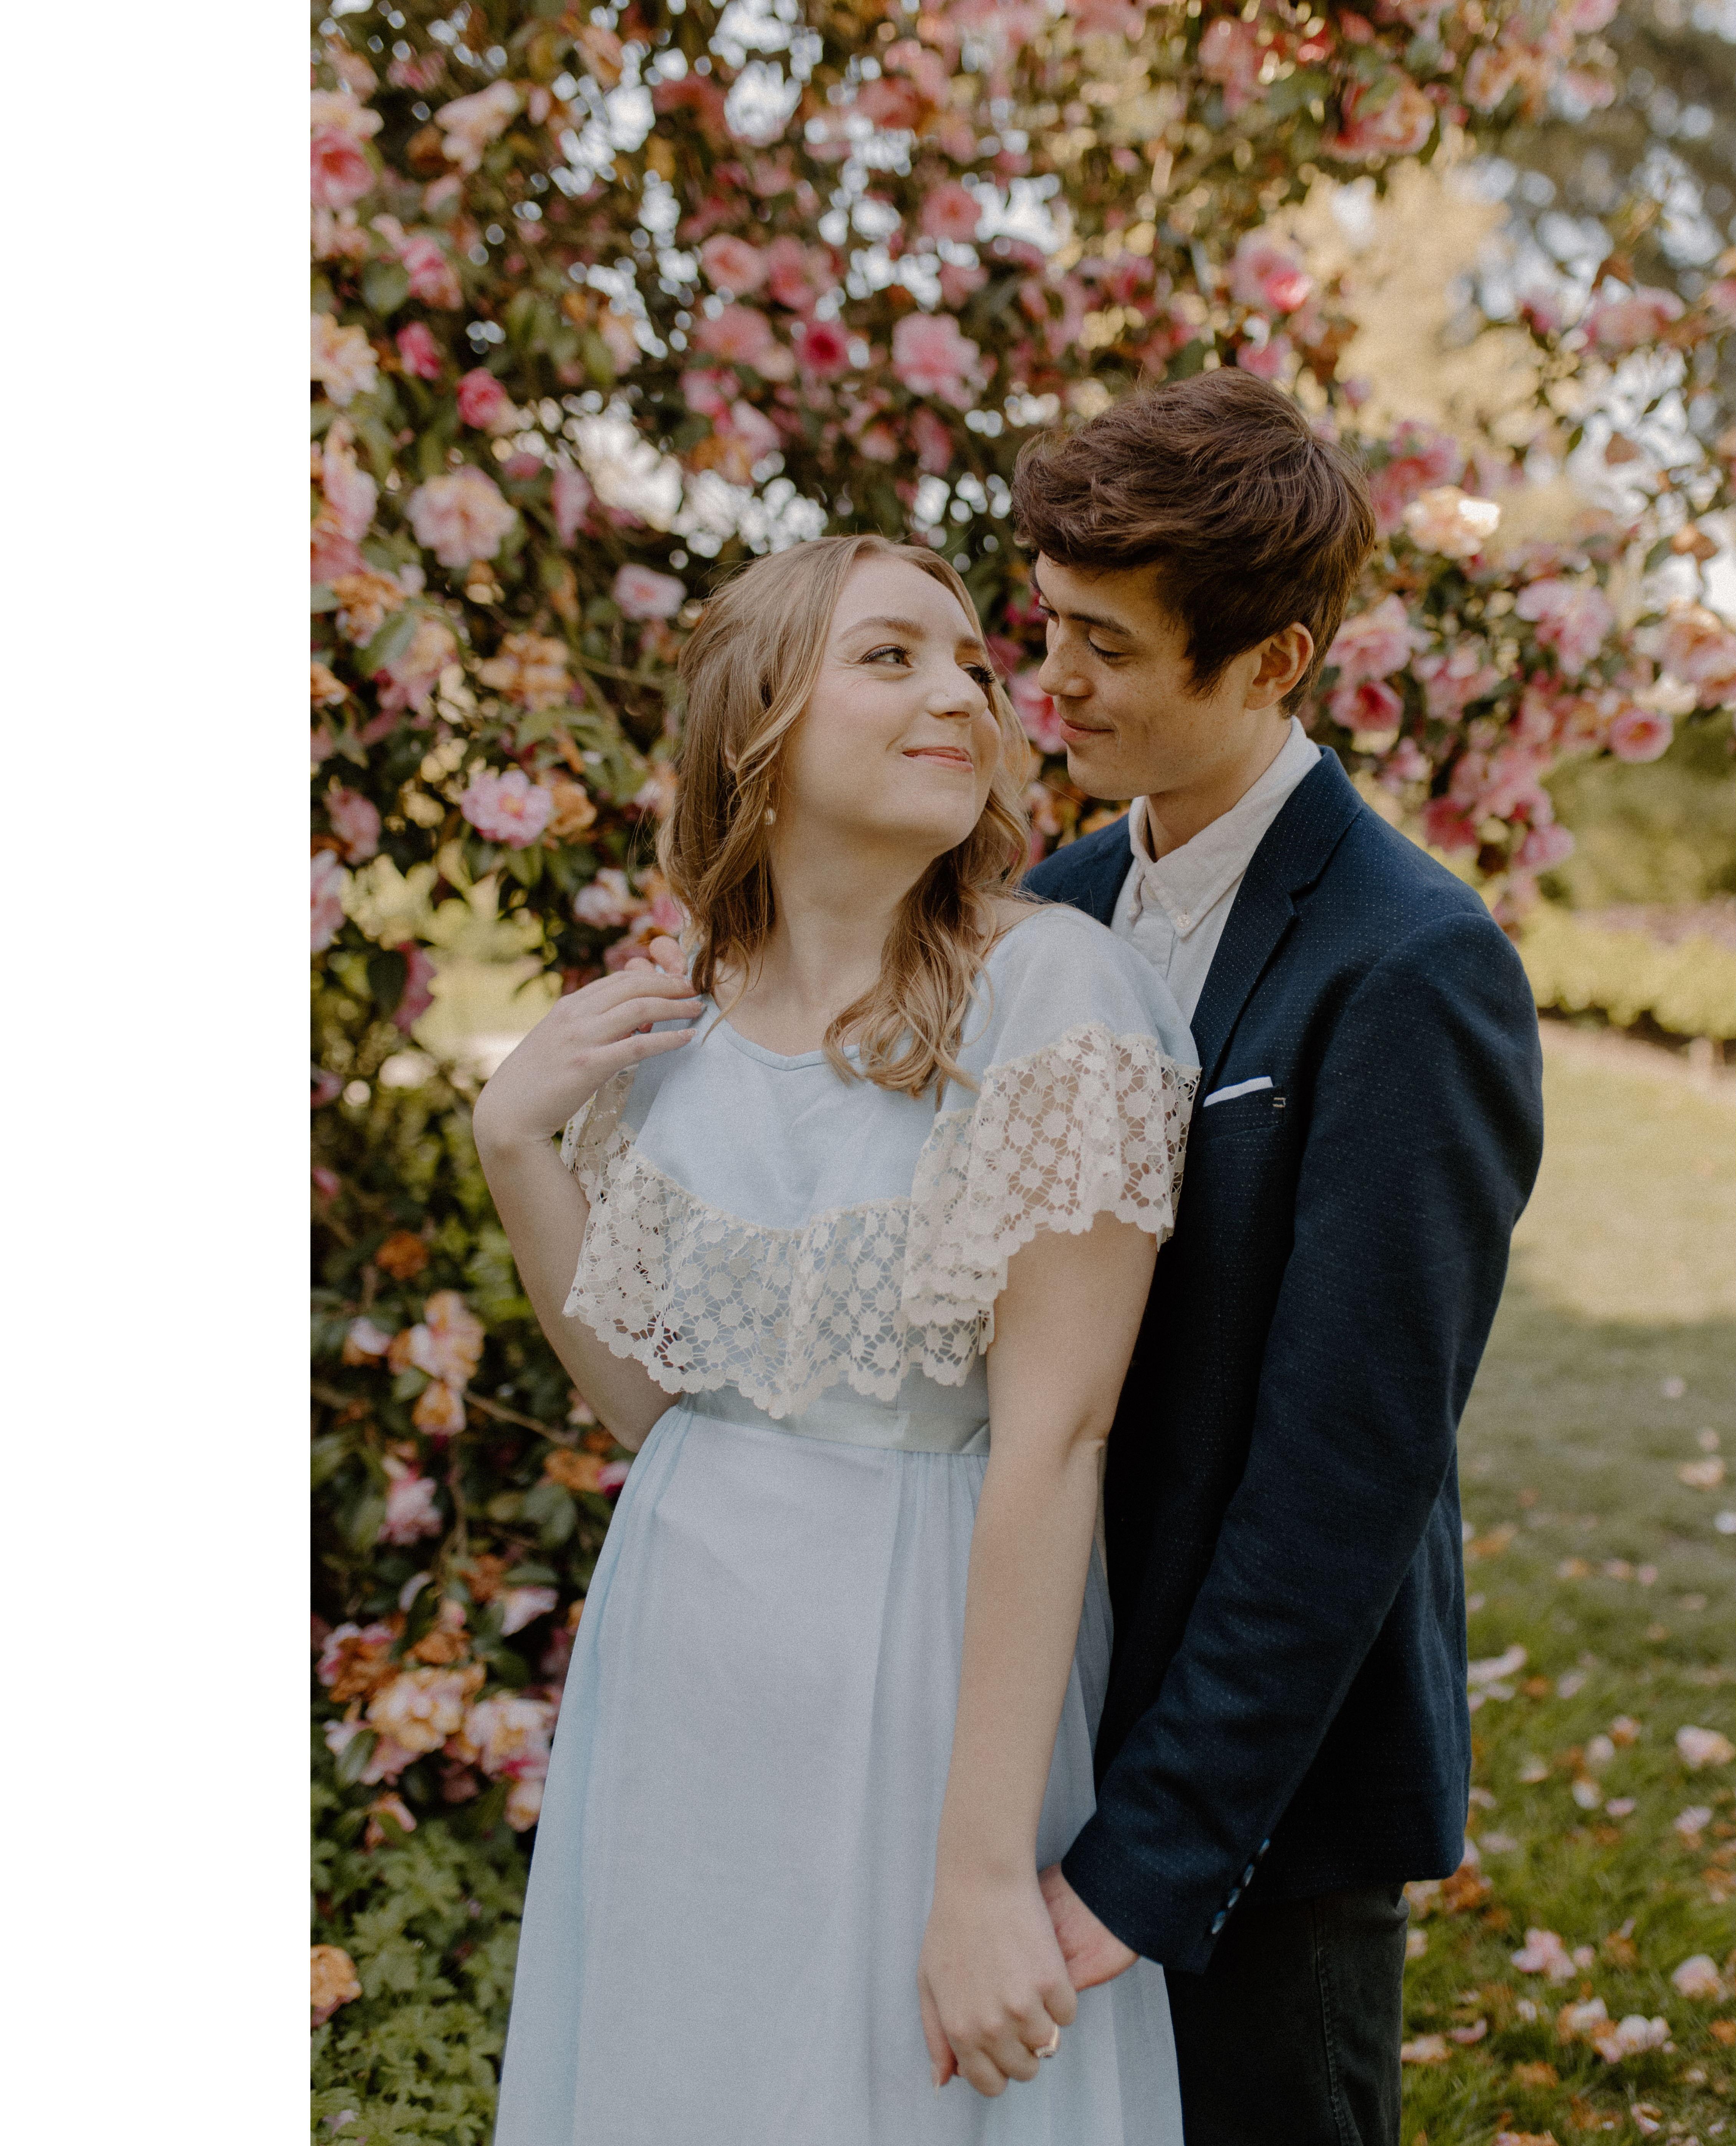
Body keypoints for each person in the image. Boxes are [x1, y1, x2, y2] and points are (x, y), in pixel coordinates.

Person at [475, 535, 1196, 2143]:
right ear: (759, 721)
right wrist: (519, 1144)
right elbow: (664, 1414)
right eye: (891, 657)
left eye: (974, 668)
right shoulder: (677, 1029)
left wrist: (981, 1874)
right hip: (682, 1669)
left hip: (926, 1677)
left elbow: (1057, 1439)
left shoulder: (1053, 1000)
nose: (961, 691)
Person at [1015, 369, 1546, 2146]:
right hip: (1049, 1705)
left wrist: (1153, 1851)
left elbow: (1349, 1469)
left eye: (1105, 646)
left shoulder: (1412, 966)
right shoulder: (1058, 902)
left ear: (1274, 664)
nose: (1052, 682)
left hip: (1259, 1800)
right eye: (1048, 626)